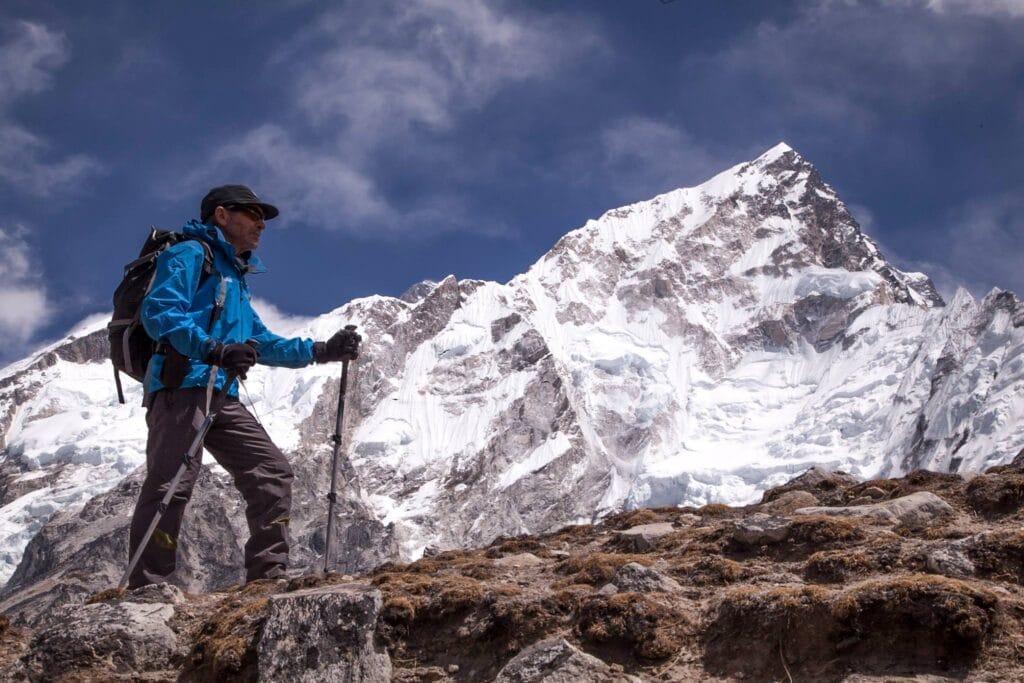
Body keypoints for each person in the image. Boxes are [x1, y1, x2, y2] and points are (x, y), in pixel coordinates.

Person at [126, 184, 360, 588]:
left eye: (262, 217)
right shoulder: (187, 254)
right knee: (171, 483)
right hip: (181, 386)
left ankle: (267, 578)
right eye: (252, 214)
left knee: (271, 471)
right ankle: (148, 585)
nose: (261, 224)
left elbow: (260, 341)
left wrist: (323, 350)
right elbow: (160, 313)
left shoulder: (234, 277)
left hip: (221, 395)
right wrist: (213, 349)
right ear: (221, 215)